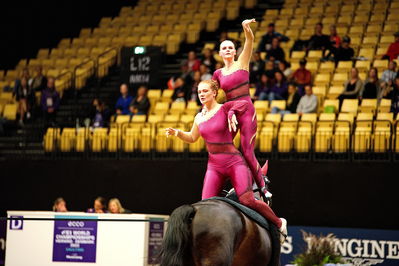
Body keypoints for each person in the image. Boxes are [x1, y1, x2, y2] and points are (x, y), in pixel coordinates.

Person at [165, 80, 287, 243]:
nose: (201, 94)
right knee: (205, 206)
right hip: (214, 166)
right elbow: (193, 138)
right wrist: (178, 133)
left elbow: (245, 105)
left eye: (205, 91)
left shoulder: (224, 108)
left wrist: (231, 113)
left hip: (234, 162)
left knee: (247, 200)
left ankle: (279, 223)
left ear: (214, 93)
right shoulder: (199, 117)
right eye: (199, 91)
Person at [212, 19, 271, 199]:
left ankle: (262, 187)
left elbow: (250, 42)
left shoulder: (242, 62)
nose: (228, 50)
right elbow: (214, 96)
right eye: (225, 48)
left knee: (246, 149)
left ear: (235, 51)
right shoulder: (217, 74)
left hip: (245, 110)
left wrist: (246, 29)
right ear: (220, 53)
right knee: (221, 148)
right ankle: (231, 181)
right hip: (230, 111)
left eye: (231, 47)